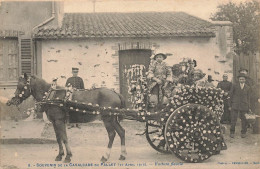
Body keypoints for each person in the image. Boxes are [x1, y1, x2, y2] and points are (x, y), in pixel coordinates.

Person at [229, 73, 251, 138]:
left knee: (244, 120)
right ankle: (232, 132)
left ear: (245, 80)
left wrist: (248, 107)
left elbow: (248, 98)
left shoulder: (247, 87)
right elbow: (230, 95)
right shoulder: (234, 86)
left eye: (243, 79)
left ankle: (243, 132)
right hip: (235, 105)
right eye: (240, 79)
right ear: (238, 79)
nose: (241, 80)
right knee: (233, 119)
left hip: (244, 105)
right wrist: (230, 105)